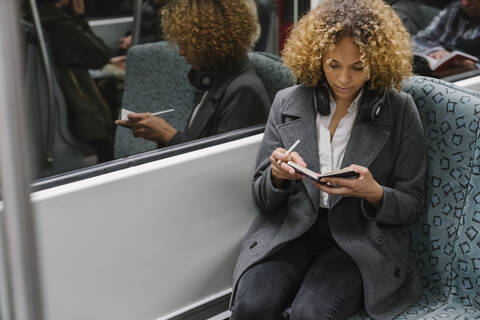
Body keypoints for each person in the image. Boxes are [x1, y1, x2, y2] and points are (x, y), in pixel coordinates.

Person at [230, 0, 426, 319]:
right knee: (251, 307)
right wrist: (278, 177)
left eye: (358, 67)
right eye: (333, 65)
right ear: (317, 57)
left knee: (311, 314)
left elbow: (413, 203)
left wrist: (372, 192)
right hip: (292, 232)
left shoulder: (400, 110)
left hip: (357, 241)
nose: (344, 79)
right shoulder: (287, 102)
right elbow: (262, 197)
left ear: (377, 61)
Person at [115, 0, 270, 147]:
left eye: (187, 45)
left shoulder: (244, 91)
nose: (181, 52)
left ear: (210, 43)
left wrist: (167, 135)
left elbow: (219, 163)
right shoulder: (211, 78)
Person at [34, 0, 116, 162]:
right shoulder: (58, 26)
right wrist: (80, 18)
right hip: (76, 107)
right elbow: (100, 55)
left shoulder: (33, 19)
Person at [412, 0, 480, 77]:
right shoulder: (455, 9)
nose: (464, 3)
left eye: (473, 1)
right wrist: (436, 51)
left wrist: (474, 69)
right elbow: (418, 39)